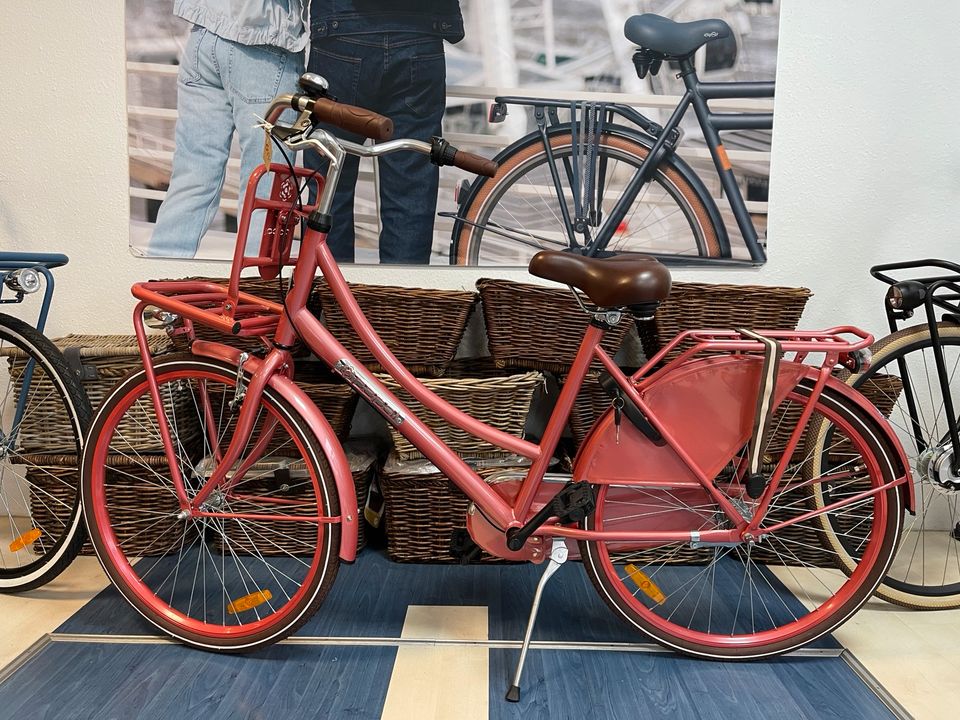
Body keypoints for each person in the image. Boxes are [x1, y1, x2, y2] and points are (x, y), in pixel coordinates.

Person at [306, 0, 464, 264]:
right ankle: (398, 299)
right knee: (410, 190)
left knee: (330, 186)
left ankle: (329, 299)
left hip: (340, 34)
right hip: (421, 35)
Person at [146, 0, 307, 258]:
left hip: (204, 36)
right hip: (263, 42)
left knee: (192, 176)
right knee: (263, 189)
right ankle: (252, 291)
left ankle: (158, 281)